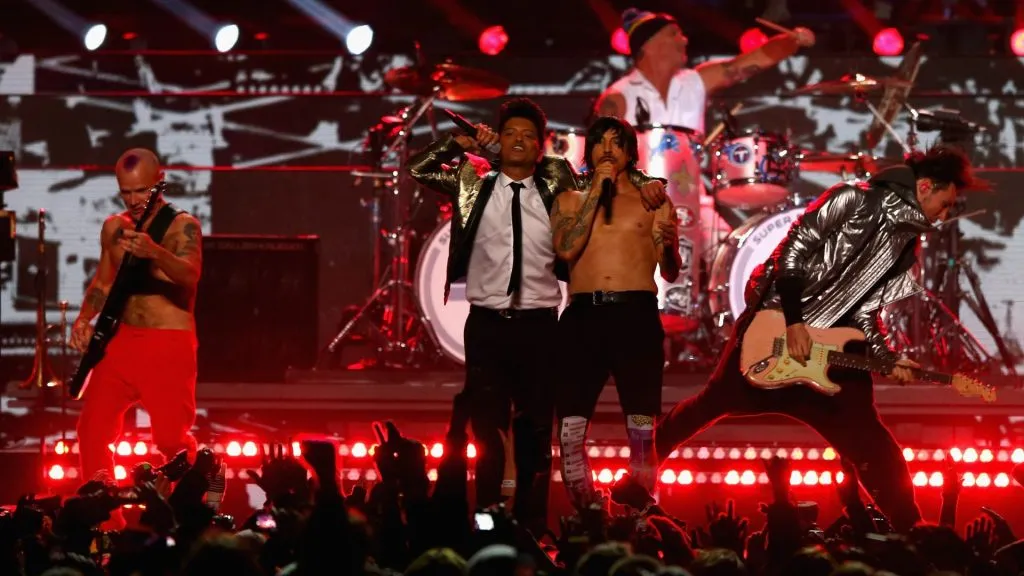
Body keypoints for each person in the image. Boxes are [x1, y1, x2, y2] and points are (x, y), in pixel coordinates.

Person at [652, 145, 975, 531]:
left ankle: (913, 532)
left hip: (835, 353)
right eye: (945, 203)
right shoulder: (851, 201)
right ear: (924, 187)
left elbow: (867, 309)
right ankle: (639, 479)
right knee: (711, 404)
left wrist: (885, 354)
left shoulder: (905, 243)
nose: (943, 215)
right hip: (776, 329)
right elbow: (791, 255)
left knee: (871, 442)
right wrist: (794, 323)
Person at [409, 98, 668, 532]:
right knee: (488, 433)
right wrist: (460, 143)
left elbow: (610, 168)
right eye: (509, 133)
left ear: (541, 146)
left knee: (537, 434)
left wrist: (650, 183)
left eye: (528, 136)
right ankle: (488, 522)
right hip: (487, 326)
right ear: (496, 138)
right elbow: (419, 168)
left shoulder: (556, 183)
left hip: (541, 327)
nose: (518, 141)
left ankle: (533, 525)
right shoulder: (471, 182)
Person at [549, 116, 681, 510]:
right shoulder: (568, 200)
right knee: (570, 433)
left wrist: (670, 246)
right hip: (582, 317)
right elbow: (566, 249)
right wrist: (595, 192)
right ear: (588, 151)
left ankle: (639, 515)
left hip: (635, 316)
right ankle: (587, 514)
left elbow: (669, 270)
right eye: (599, 142)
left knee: (642, 431)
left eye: (616, 143)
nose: (607, 150)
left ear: (630, 153)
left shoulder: (653, 199)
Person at [70, 148, 202, 497]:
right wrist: (83, 320)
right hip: (122, 341)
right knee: (92, 430)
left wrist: (155, 252)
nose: (133, 200)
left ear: (160, 182)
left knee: (171, 440)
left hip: (168, 342)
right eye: (125, 192)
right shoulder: (114, 227)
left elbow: (190, 275)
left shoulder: (182, 226)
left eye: (141, 190)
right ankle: (103, 518)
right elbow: (103, 282)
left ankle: (187, 509)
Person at [595, 8, 816, 131]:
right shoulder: (618, 96)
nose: (684, 40)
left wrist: (792, 40)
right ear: (648, 45)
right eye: (674, 34)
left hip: (691, 194)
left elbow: (756, 59)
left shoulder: (693, 81)